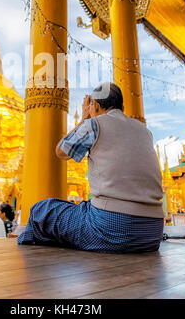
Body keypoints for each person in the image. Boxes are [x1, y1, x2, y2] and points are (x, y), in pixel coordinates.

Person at [18, 82, 164, 253]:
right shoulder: (144, 130)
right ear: (122, 107)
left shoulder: (94, 124)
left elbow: (61, 151)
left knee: (42, 210)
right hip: (152, 234)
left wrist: (84, 119)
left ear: (93, 105)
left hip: (110, 229)